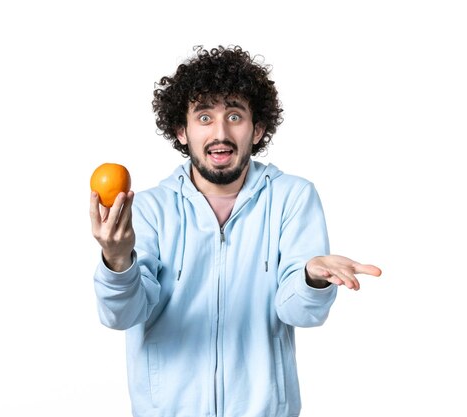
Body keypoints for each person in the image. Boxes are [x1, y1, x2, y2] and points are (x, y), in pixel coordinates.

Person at [89, 45, 382, 417]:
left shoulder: (292, 197)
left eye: (234, 115)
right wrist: (117, 262)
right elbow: (122, 315)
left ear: (257, 129)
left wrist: (312, 278)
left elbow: (300, 313)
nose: (221, 132)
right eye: (205, 117)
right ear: (182, 130)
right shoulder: (149, 209)